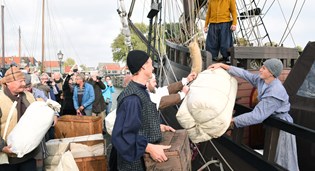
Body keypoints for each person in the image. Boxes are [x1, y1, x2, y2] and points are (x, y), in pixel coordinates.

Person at [208, 59, 299, 171]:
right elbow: (245, 74)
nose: (260, 69)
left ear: (271, 73)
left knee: (283, 159)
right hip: (273, 123)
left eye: (264, 68)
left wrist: (232, 120)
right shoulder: (262, 80)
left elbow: (257, 115)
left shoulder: (275, 92)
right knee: (274, 155)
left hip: (282, 127)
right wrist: (222, 65)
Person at [110, 50, 175, 170]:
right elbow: (122, 135)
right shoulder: (132, 99)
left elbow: (138, 122)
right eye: (150, 63)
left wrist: (156, 126)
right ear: (143, 66)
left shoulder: (140, 90)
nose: (153, 68)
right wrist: (149, 148)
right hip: (135, 165)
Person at [0, 66, 39, 170]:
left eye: (23, 81)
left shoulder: (29, 96)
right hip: (7, 158)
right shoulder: (0, 100)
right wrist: (2, 147)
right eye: (19, 81)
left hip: (29, 154)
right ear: (8, 83)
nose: (23, 84)